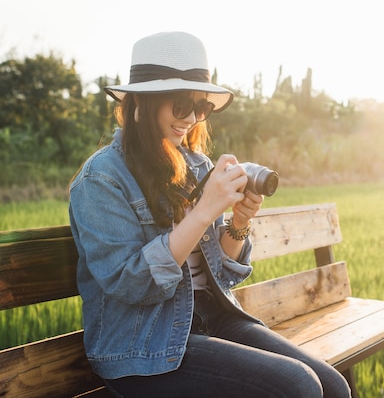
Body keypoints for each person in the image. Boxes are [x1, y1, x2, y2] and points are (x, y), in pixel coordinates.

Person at [69, 31, 351, 398]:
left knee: (334, 386)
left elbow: (220, 274)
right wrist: (202, 212)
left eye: (201, 108)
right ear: (143, 101)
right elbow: (131, 282)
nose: (191, 119)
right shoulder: (101, 179)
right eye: (181, 104)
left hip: (211, 320)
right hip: (144, 347)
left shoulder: (195, 164)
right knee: (298, 387)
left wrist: (238, 223)